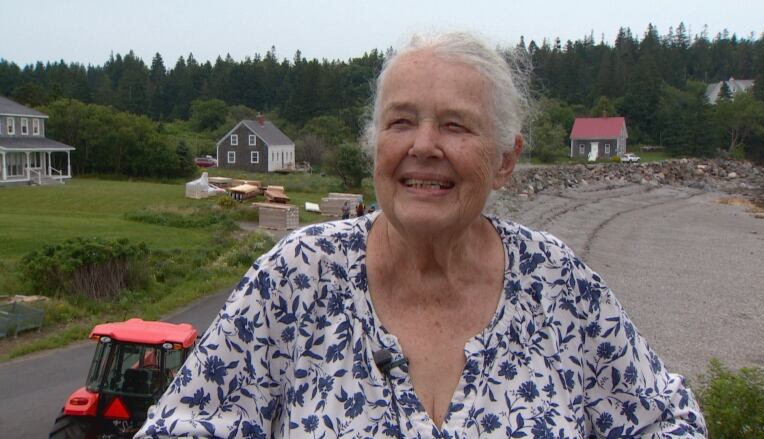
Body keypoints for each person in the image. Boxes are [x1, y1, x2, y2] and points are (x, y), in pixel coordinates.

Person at [137, 32, 706, 438]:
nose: (424, 145)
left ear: (505, 161)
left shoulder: (560, 287)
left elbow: (667, 422)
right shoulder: (298, 276)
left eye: (455, 125)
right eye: (402, 122)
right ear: (375, 145)